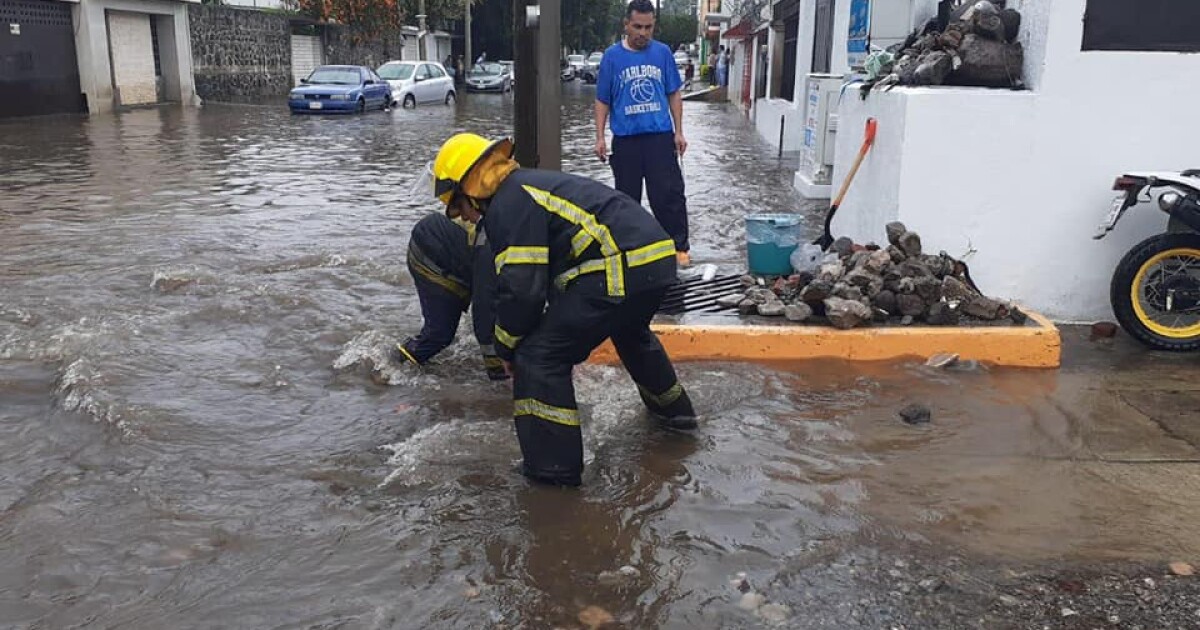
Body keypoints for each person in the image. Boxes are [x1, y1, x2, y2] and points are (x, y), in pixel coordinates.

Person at [428, 132, 698, 487]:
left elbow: (523, 292)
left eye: (458, 208)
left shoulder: (509, 204)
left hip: (616, 267)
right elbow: (549, 282)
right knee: (631, 335)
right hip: (655, 260)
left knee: (538, 358)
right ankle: (676, 420)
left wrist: (507, 347)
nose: (464, 219)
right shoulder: (533, 187)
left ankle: (552, 472)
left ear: (471, 191)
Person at [594, 0, 692, 269]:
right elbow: (603, 100)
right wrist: (600, 137)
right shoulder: (612, 58)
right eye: (637, 26)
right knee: (626, 199)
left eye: (648, 27)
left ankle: (679, 248)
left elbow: (673, 93)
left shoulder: (662, 54)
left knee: (668, 195)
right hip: (626, 141)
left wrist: (679, 132)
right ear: (626, 24)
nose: (643, 33)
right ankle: (629, 252)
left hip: (659, 137)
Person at [390, 213, 507, 382]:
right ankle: (390, 367)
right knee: (439, 335)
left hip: (456, 246)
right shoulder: (495, 252)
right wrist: (499, 372)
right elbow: (484, 310)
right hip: (432, 253)